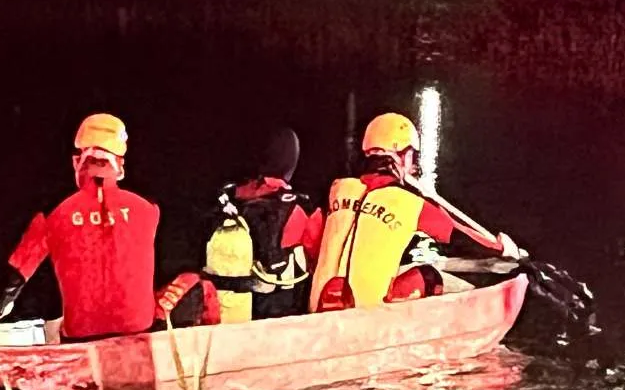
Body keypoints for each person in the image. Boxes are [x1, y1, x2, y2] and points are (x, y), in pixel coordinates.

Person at [308, 112, 521, 313]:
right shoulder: (410, 203)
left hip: (317, 304)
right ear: (401, 155)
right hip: (366, 311)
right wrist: (501, 248)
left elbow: (311, 241)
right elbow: (460, 237)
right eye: (411, 156)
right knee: (430, 276)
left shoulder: (337, 190)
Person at [0, 113, 161, 339]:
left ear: (76, 162)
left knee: (53, 327)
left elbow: (16, 274)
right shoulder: (149, 209)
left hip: (82, 333)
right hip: (139, 329)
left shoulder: (52, 215)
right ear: (120, 167)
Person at [202, 127, 323, 321]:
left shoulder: (228, 197)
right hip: (279, 306)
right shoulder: (303, 208)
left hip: (227, 304)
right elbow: (316, 256)